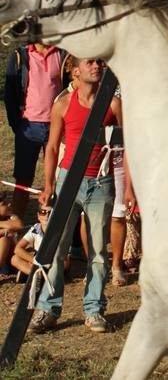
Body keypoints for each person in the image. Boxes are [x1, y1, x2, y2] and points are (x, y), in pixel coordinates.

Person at [30, 56, 122, 334]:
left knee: (97, 252)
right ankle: (48, 309)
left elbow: (127, 145)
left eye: (100, 63)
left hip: (101, 182)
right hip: (68, 180)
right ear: (74, 70)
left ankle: (94, 311)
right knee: (56, 248)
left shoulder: (113, 104)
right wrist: (48, 185)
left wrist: (129, 188)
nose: (97, 66)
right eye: (90, 62)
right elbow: (53, 147)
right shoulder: (63, 105)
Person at [4, 43, 68, 218]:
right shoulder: (20, 56)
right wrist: (17, 125)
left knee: (57, 179)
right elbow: (9, 94)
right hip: (29, 126)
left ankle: (53, 228)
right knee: (23, 179)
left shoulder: (63, 54)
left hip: (57, 126)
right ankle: (14, 229)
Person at [11, 202, 51, 276]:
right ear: (38, 216)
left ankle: (32, 274)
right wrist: (34, 261)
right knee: (15, 259)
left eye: (51, 212)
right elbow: (17, 249)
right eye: (43, 212)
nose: (47, 216)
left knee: (64, 262)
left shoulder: (59, 230)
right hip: (38, 261)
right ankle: (38, 275)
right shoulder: (36, 228)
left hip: (52, 261)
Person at [0, 192, 24, 276]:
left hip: (7, 263)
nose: (9, 204)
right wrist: (4, 231)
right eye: (4, 204)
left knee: (4, 239)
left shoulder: (11, 216)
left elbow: (19, 225)